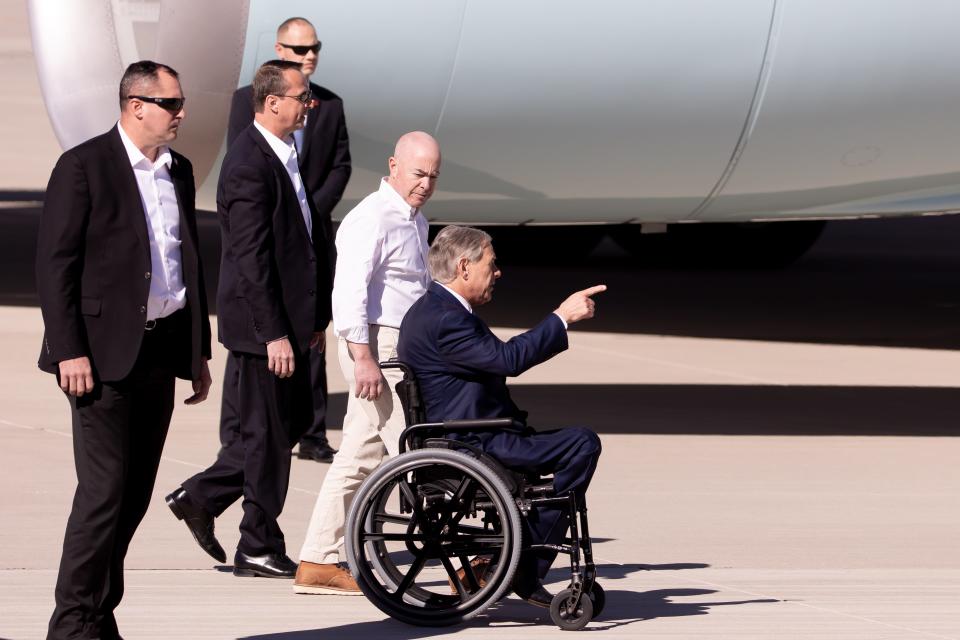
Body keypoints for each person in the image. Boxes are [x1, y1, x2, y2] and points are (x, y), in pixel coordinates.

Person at [37, 60, 212, 639]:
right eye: (170, 104)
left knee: (134, 493)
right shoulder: (84, 167)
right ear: (135, 105)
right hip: (99, 359)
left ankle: (98, 613)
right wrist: (69, 350)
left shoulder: (178, 171)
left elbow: (187, 263)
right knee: (103, 492)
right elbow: (55, 266)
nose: (180, 113)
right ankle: (71, 623)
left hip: (159, 354)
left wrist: (197, 354)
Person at [166, 60, 331, 578]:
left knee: (287, 426)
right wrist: (275, 333)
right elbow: (252, 259)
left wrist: (314, 319)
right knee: (267, 438)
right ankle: (257, 542)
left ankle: (201, 496)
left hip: (290, 325)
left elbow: (299, 242)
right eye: (302, 95)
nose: (310, 103)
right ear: (272, 102)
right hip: (266, 331)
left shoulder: (284, 154)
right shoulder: (248, 164)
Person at [396, 225, 604, 608]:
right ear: (464, 267)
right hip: (475, 441)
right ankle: (525, 565)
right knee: (582, 443)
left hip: (471, 434)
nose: (498, 272)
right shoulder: (447, 319)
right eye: (491, 264)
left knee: (573, 444)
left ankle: (515, 557)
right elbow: (508, 360)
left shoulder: (433, 309)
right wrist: (560, 317)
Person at [293, 131, 439, 595]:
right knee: (412, 449)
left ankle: (317, 560)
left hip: (403, 346)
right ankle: (455, 554)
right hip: (376, 346)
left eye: (434, 175)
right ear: (394, 166)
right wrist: (363, 358)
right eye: (418, 173)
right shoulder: (370, 219)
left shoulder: (416, 220)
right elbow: (349, 294)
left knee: (359, 455)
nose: (425, 183)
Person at [224, 16, 349, 463]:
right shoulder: (249, 110)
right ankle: (226, 454)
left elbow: (340, 166)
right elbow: (249, 189)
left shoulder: (329, 105)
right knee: (255, 400)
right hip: (272, 257)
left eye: (314, 47)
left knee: (309, 356)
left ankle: (311, 433)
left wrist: (309, 211)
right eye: (299, 50)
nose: (309, 56)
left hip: (310, 241)